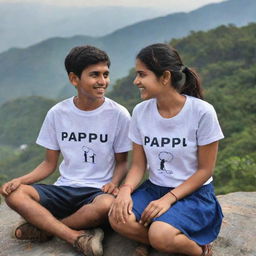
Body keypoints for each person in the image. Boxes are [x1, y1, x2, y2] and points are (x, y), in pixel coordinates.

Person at [0, 45, 131, 256]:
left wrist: (114, 183)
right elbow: (49, 164)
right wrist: (21, 180)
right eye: (94, 75)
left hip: (96, 193)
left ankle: (46, 228)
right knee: (14, 194)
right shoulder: (58, 113)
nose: (102, 81)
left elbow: (123, 162)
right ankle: (74, 236)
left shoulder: (119, 115)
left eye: (105, 74)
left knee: (107, 206)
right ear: (74, 79)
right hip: (63, 189)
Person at [109, 43, 224, 256]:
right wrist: (125, 191)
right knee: (118, 217)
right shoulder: (140, 112)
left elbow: (205, 171)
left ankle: (199, 250)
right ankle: (161, 240)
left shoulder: (202, 112)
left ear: (165, 77)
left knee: (160, 234)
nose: (136, 81)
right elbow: (138, 165)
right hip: (154, 188)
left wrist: (169, 198)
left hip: (193, 194)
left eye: (142, 75)